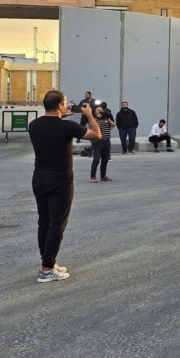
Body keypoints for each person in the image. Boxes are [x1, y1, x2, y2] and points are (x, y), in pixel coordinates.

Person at [29, 90, 101, 283]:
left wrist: (61, 114)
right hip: (60, 180)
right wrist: (89, 115)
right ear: (61, 105)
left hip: (39, 178)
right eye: (66, 103)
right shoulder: (68, 127)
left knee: (43, 222)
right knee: (56, 225)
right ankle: (46, 269)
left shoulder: (34, 125)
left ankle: (48, 262)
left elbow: (51, 125)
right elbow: (96, 134)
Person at [90, 104, 115, 182]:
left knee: (105, 159)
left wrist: (107, 117)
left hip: (107, 141)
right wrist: (99, 118)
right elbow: (95, 127)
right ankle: (93, 176)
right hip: (98, 141)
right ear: (94, 112)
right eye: (98, 110)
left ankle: (103, 175)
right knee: (96, 159)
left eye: (101, 110)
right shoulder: (94, 119)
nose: (100, 111)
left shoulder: (106, 118)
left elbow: (113, 125)